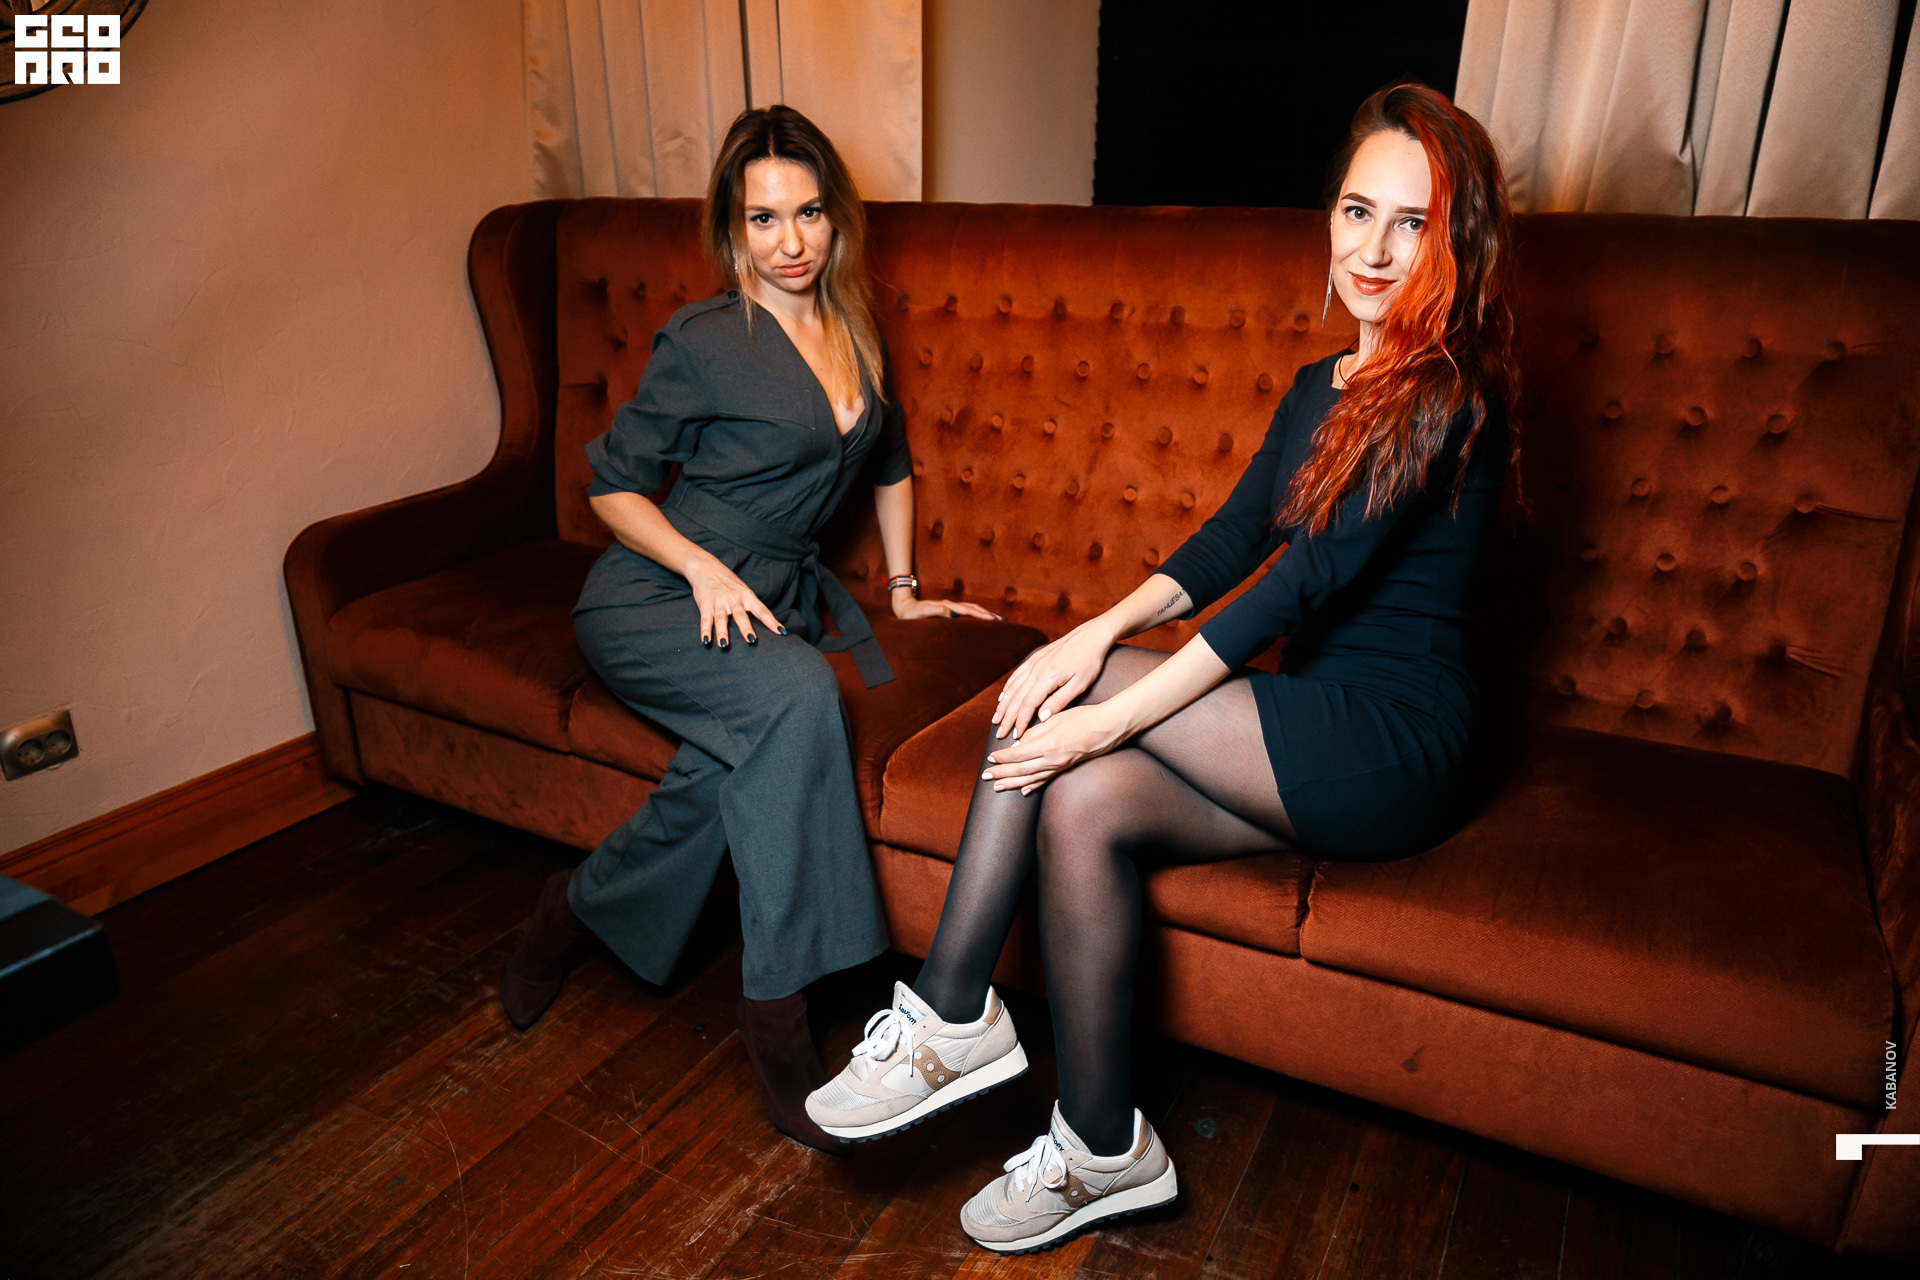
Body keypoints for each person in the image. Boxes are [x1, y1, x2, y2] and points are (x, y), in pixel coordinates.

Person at [806, 81, 1518, 1253]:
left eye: (1413, 223)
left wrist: (1104, 705)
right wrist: (1091, 634)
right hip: (1306, 721)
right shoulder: (1319, 387)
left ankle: (950, 1012)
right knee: (1080, 801)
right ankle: (1103, 1143)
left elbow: (1299, 585)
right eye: (1357, 212)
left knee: (1067, 714)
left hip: (1397, 743)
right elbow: (1233, 541)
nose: (1374, 249)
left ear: (1455, 241)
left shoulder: (1443, 393)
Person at [498, 105, 998, 1153]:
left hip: (774, 601)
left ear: (835, 218)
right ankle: (777, 1013)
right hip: (657, 594)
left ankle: (572, 908)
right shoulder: (704, 339)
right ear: (733, 229)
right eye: (763, 218)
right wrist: (700, 565)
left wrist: (905, 588)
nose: (790, 241)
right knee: (802, 694)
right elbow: (610, 487)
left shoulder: (856, 330)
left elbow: (890, 461)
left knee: (727, 770)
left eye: (808, 212)